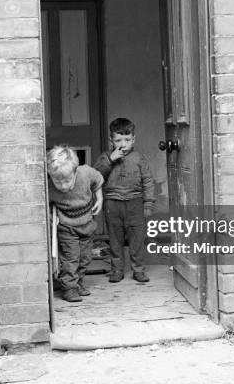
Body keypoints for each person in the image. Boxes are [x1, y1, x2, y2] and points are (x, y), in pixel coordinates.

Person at [94, 118, 155, 283]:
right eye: (118, 140)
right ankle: (117, 270)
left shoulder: (139, 158)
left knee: (137, 239)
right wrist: (110, 159)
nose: (123, 144)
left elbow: (148, 181)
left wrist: (148, 204)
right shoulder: (105, 157)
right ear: (111, 141)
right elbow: (96, 176)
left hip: (135, 202)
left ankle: (139, 270)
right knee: (115, 239)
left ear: (133, 139)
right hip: (112, 204)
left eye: (127, 140)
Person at [47, 145, 104, 302]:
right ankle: (69, 288)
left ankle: (78, 282)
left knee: (85, 258)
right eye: (58, 182)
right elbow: (45, 208)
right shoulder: (49, 187)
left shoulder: (85, 173)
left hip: (87, 224)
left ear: (75, 171)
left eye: (67, 181)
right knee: (71, 258)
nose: (63, 186)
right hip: (67, 227)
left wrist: (100, 199)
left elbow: (98, 179)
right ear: (50, 176)